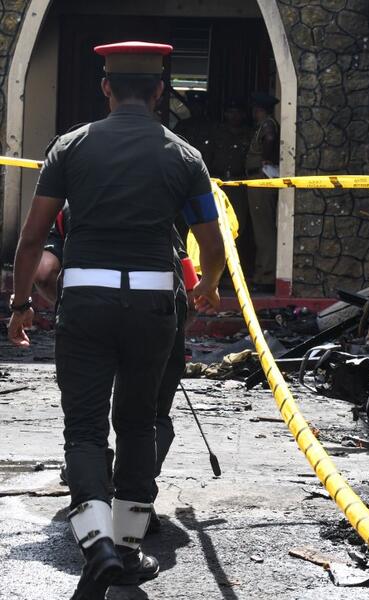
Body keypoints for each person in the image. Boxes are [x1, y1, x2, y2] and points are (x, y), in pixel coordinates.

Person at [7, 41, 226, 600]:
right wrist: (209, 288)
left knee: (83, 427)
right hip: (154, 306)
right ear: (159, 94)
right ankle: (125, 550)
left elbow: (33, 238)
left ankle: (96, 544)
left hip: (85, 303)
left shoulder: (70, 147)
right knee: (136, 422)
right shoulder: (183, 156)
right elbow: (210, 238)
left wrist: (19, 304)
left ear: (106, 87)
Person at [35, 206, 193, 533]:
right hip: (157, 310)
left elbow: (45, 272)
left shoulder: (71, 206)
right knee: (148, 417)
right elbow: (189, 281)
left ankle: (95, 512)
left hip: (89, 310)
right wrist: (174, 331)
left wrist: (63, 307)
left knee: (86, 426)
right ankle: (134, 506)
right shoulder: (158, 194)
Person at [244, 92, 280, 292]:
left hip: (261, 177)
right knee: (261, 228)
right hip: (257, 177)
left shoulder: (267, 124)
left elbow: (270, 138)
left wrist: (266, 157)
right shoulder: (266, 124)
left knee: (263, 229)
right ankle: (262, 272)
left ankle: (266, 275)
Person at [173, 90, 214, 166]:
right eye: (193, 105)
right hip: (184, 165)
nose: (195, 108)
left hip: (204, 165)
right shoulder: (182, 125)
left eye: (198, 105)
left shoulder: (212, 126)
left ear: (204, 106)